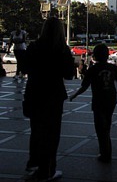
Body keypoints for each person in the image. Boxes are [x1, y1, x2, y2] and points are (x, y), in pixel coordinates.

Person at [23, 17, 74, 180]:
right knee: (52, 132)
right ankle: (48, 167)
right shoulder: (62, 49)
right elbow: (69, 74)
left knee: (36, 129)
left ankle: (35, 161)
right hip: (54, 94)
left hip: (35, 91)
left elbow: (24, 67)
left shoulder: (34, 47)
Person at [70, 44, 117, 163]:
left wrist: (75, 95)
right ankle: (107, 150)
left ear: (94, 56)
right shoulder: (112, 67)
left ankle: (105, 153)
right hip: (111, 99)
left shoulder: (93, 69)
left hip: (98, 101)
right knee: (107, 124)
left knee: (100, 127)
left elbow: (84, 86)